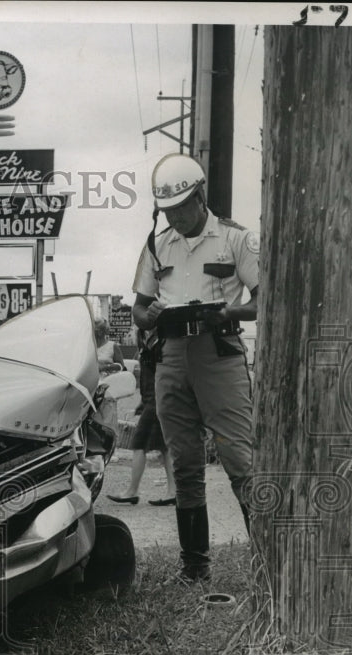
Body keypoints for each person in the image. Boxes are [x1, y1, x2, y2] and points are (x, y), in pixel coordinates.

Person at [130, 153, 258, 582]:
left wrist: (230, 313)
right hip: (170, 354)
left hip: (218, 352)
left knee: (239, 458)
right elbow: (140, 305)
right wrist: (148, 318)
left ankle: (266, 561)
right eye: (167, 211)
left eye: (182, 208)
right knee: (183, 461)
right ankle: (195, 567)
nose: (176, 218)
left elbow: (262, 301)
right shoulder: (157, 244)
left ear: (200, 196)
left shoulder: (236, 239)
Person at [107, 328, 177, 506]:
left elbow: (156, 375)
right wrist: (143, 401)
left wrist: (147, 401)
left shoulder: (155, 343)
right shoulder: (152, 342)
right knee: (164, 448)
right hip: (154, 400)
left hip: (155, 400)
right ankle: (173, 491)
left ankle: (132, 491)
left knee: (138, 444)